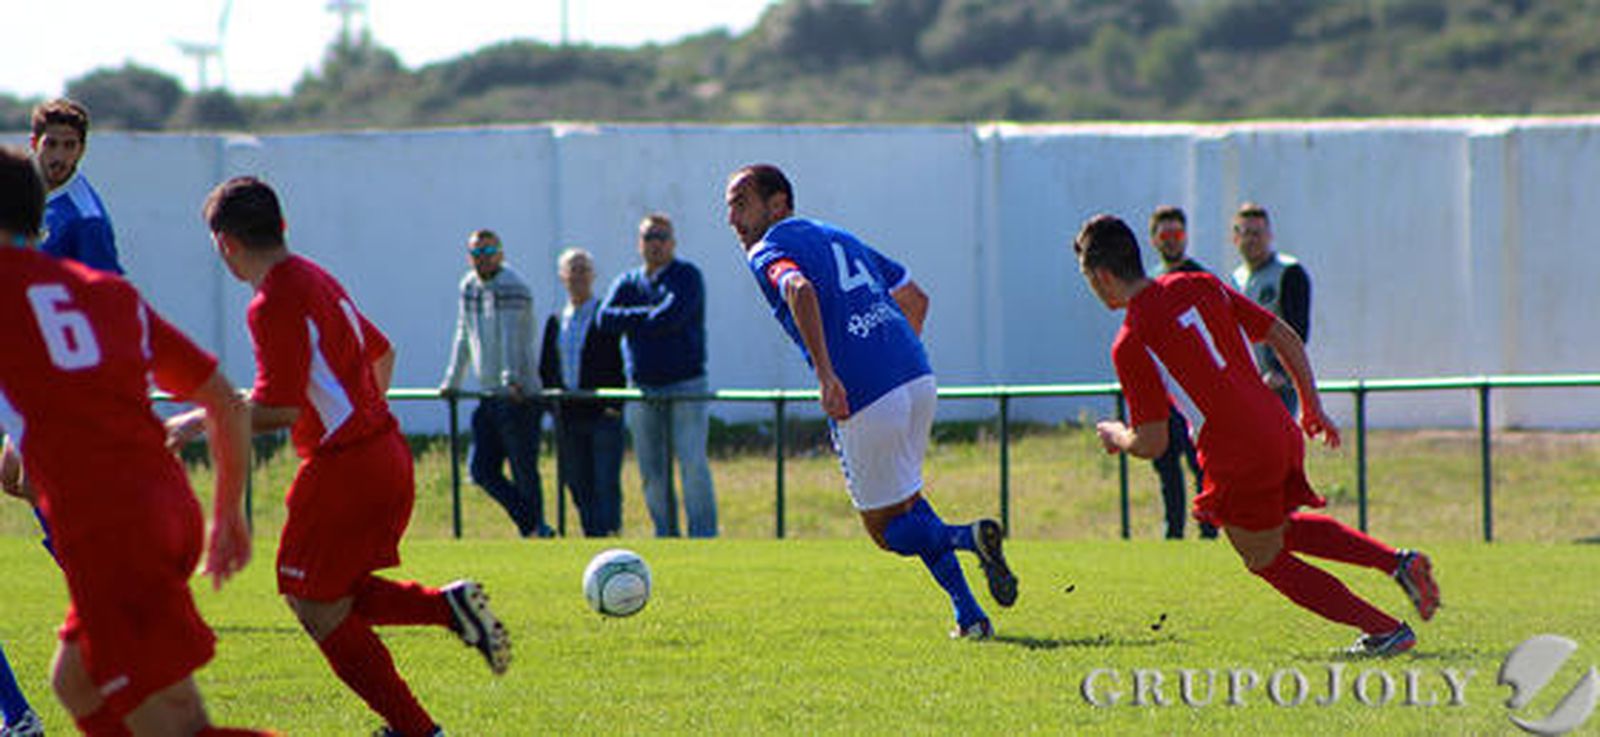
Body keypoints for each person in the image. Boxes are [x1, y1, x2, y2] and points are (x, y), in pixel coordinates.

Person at [169, 176, 510, 737]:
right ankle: (448, 612)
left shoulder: (273, 299)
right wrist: (358, 418)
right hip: (382, 453)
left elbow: (277, 410)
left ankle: (418, 730)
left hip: (346, 467)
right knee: (330, 594)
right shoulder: (314, 276)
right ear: (281, 226)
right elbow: (382, 351)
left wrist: (197, 422)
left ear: (225, 245)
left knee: (313, 603)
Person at [1073, 213, 1440, 656]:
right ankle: (1400, 563)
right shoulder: (1199, 284)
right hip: (1276, 424)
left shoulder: (1131, 341)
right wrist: (1311, 405)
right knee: (1275, 530)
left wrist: (1117, 434)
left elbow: (1153, 443)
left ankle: (1385, 630)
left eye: (1089, 279)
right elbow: (1284, 336)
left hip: (1235, 446)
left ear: (1103, 276)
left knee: (1261, 555)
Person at [0, 145, 270, 736]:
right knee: (75, 678)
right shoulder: (107, 293)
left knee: (175, 721)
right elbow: (222, 400)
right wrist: (228, 517)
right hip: (166, 507)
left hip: (110, 523)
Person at [725, 163, 1017, 639]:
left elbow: (798, 288)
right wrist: (890, 355)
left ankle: (966, 537)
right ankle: (970, 616)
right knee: (910, 504)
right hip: (916, 377)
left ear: (777, 204)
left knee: (886, 531)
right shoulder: (838, 234)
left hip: (863, 392)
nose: (733, 219)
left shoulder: (768, 248)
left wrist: (826, 374)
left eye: (742, 204)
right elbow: (916, 297)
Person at [597, 214, 718, 538]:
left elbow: (673, 317)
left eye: (662, 236)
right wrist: (649, 315)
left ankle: (704, 537)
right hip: (643, 387)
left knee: (692, 463)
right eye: (649, 237)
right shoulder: (628, 281)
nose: (656, 243)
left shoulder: (686, 276)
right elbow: (604, 318)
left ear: (673, 242)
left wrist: (635, 319)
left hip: (686, 383)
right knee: (651, 469)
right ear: (639, 243)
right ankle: (665, 534)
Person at [439, 229, 552, 538]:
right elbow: (463, 334)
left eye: (489, 252)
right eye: (477, 253)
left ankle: (535, 529)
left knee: (523, 468)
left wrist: (511, 380)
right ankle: (532, 525)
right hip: (489, 393)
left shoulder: (513, 286)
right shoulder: (469, 286)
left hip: (519, 395)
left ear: (500, 254)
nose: (483, 259)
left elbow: (512, 336)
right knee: (481, 470)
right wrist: (453, 380)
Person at [540, 248, 626, 537]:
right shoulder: (555, 320)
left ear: (593, 275)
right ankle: (592, 535)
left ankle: (610, 537)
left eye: (583, 269)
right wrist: (553, 407)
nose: (578, 276)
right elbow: (547, 366)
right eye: (572, 270)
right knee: (577, 481)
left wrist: (616, 404)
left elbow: (621, 361)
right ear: (562, 276)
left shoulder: (605, 317)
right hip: (569, 415)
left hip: (602, 413)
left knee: (605, 481)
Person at [1146, 206, 1214, 540]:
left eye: (1178, 234)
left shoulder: (1199, 279)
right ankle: (1173, 532)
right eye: (1166, 235)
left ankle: (1209, 530)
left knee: (1201, 464)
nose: (1172, 241)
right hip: (1161, 394)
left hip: (1194, 393)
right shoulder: (1149, 282)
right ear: (1154, 239)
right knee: (1166, 467)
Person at [1229, 203, 1310, 414]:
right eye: (1245, 233)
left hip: (1277, 385)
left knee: (1279, 445)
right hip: (1246, 385)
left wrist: (1281, 373)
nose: (1251, 240)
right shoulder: (1235, 279)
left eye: (1257, 233)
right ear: (1235, 238)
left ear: (1269, 236)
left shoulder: (1288, 272)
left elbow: (1297, 329)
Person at [30, 99, 121, 274]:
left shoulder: (87, 218)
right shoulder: (14, 191)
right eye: (51, 144)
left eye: (69, 146)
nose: (59, 157)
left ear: (82, 149)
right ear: (34, 144)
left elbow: (105, 292)